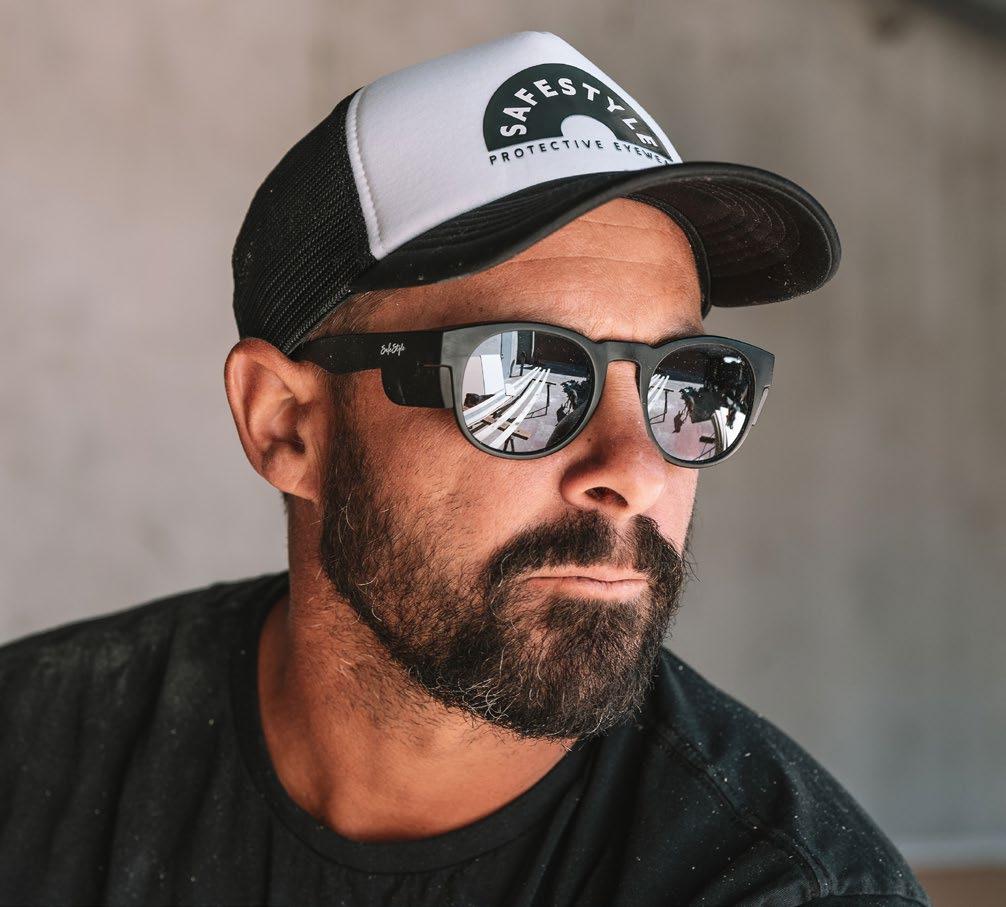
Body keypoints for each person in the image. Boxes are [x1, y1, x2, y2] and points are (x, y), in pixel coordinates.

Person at [0, 31, 930, 907]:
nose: (636, 471)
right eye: (525, 375)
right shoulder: (32, 756)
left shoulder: (779, 884)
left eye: (687, 380)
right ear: (288, 424)